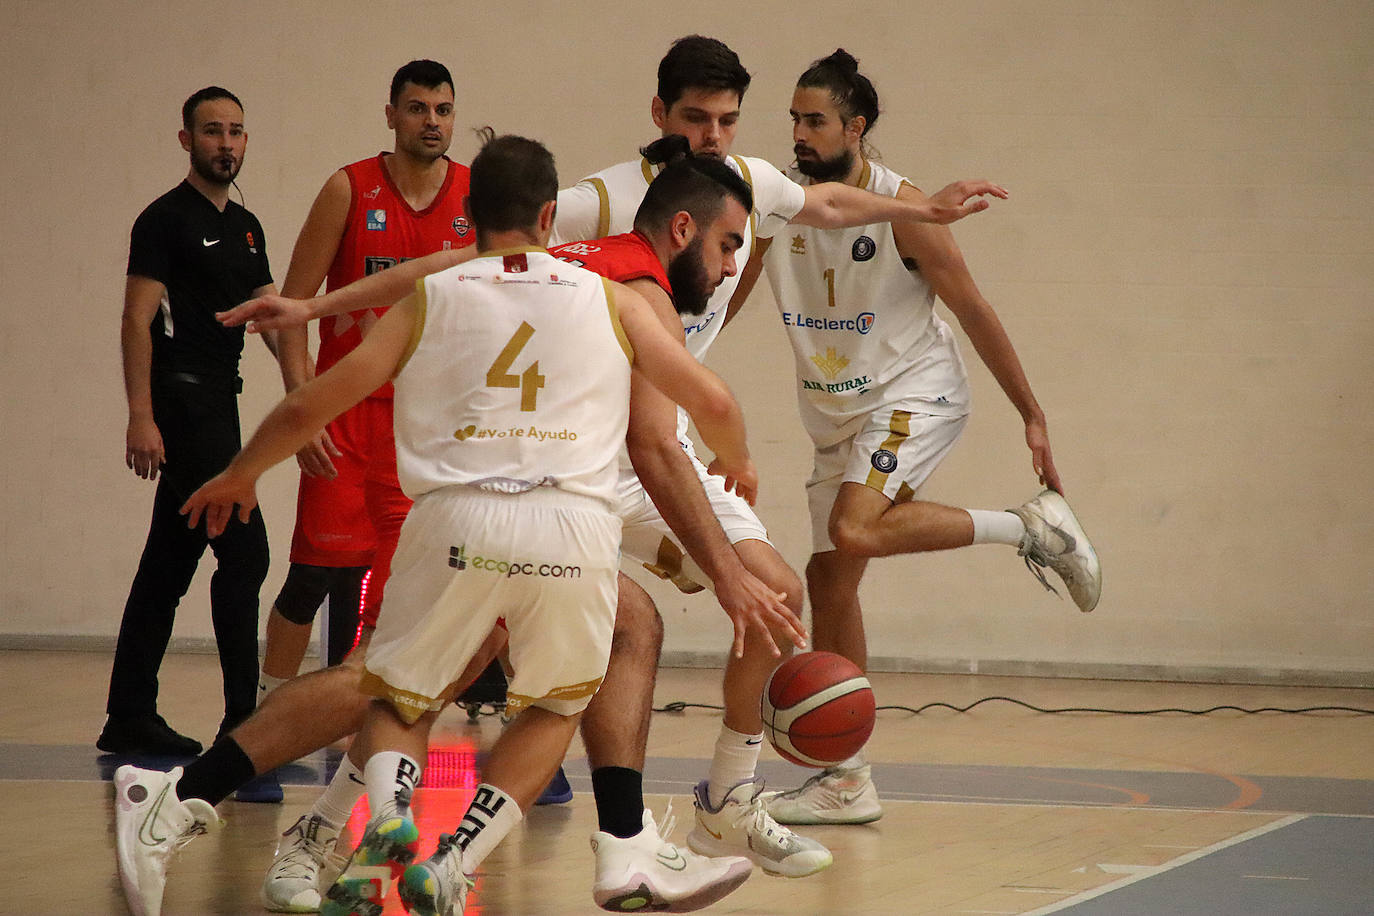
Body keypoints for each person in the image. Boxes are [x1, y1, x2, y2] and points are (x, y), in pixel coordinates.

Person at [115, 151, 797, 916]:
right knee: (539, 688)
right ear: (550, 217)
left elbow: (363, 346)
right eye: (731, 244)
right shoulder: (624, 293)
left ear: (477, 218)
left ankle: (414, 839)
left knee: (406, 689)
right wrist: (735, 476)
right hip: (565, 519)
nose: (734, 262)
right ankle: (302, 827)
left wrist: (248, 460)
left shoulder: (458, 285)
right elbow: (680, 427)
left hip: (457, 513)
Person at [547, 35, 1005, 875]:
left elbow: (829, 206)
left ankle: (726, 798)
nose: (714, 135)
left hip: (666, 443)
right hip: (577, 456)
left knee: (780, 595)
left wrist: (923, 211)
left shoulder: (749, 184)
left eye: (727, 119)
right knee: (558, 647)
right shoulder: (601, 199)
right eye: (696, 118)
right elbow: (505, 240)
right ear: (660, 115)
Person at [734, 50, 1101, 826]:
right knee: (830, 580)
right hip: (834, 412)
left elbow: (973, 310)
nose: (798, 133)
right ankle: (846, 780)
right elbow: (723, 301)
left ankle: (1028, 525)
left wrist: (1031, 415)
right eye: (793, 119)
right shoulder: (779, 207)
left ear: (854, 127)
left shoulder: (904, 209)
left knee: (852, 529)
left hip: (915, 392)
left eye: (815, 120)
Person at [259, 59, 474, 701]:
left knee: (450, 579)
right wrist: (305, 409)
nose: (430, 121)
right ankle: (263, 713)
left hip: (431, 426)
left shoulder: (474, 194)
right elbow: (290, 310)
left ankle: (382, 711)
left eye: (442, 110)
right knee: (313, 577)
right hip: (348, 418)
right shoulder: (349, 188)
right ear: (391, 116)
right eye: (417, 108)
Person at [98, 86, 278, 760]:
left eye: (235, 131)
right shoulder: (164, 220)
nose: (225, 143)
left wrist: (307, 391)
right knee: (246, 550)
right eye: (211, 132)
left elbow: (269, 314)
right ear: (186, 140)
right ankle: (243, 726)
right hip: (180, 404)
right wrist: (140, 416)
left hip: (220, 407)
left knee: (168, 563)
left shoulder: (247, 225)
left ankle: (128, 715)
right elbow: (135, 317)